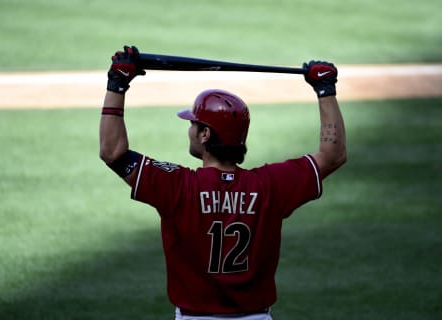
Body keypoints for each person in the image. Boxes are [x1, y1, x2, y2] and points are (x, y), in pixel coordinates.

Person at [99, 45, 346, 320]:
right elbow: (332, 156)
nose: (189, 129)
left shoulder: (178, 186)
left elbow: (113, 153)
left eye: (193, 124)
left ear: (205, 134)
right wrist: (325, 90)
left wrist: (117, 83)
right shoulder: (269, 186)